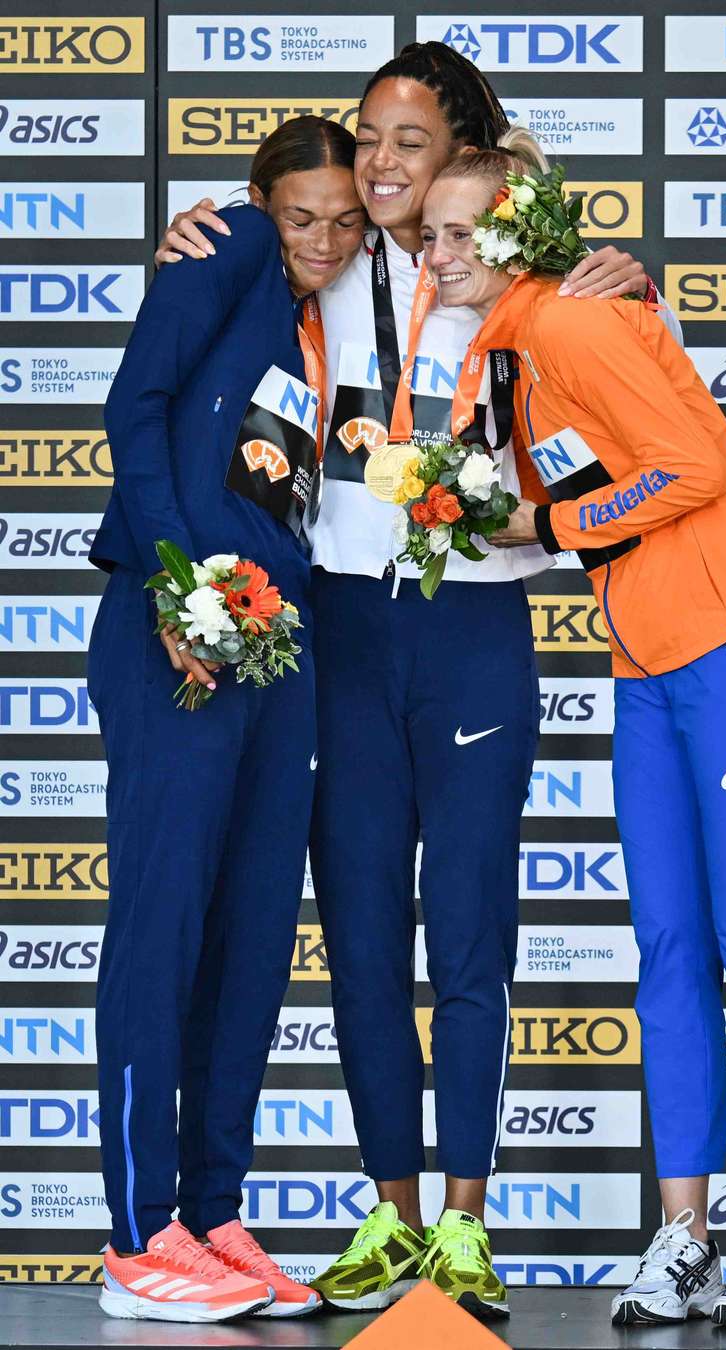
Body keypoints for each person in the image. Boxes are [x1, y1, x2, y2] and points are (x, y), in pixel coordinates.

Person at [155, 41, 682, 1321]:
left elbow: (646, 400)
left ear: (462, 152)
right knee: (364, 939)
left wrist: (639, 286)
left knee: (470, 934)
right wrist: (193, 237)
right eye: (370, 138)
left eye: (410, 144)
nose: (382, 166)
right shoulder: (313, 256)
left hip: (476, 632)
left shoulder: (527, 269)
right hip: (341, 626)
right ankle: (389, 1219)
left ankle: (464, 1223)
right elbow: (224, 306)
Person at [419, 148, 726, 1331]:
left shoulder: (568, 319)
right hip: (649, 660)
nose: (440, 255)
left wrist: (554, 515)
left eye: (465, 234)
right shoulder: (508, 347)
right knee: (668, 949)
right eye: (430, 239)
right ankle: (686, 1235)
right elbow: (552, 503)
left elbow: (702, 465)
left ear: (516, 233)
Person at [89, 116, 364, 1323]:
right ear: (258, 200)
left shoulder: (326, 317)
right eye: (301, 213)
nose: (322, 238)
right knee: (163, 927)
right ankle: (138, 1237)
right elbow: (134, 410)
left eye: (345, 220)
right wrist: (172, 583)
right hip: (179, 631)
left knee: (252, 936)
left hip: (277, 639)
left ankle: (212, 1212)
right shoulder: (233, 247)